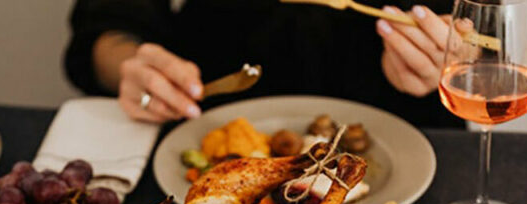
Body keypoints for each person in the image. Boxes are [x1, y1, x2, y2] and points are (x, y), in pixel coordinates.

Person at [66, 0, 463, 128]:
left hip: (401, 129)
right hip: (203, 119)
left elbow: (480, 33)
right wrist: (131, 65)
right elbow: (106, 22)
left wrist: (446, 48)